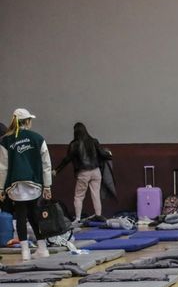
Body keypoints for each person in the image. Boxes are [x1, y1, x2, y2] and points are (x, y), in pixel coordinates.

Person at [0, 109, 53, 261]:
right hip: (34, 184)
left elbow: (3, 167)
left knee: (21, 215)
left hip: (15, 185)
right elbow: (46, 164)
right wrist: (47, 186)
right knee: (34, 214)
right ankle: (42, 248)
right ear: (28, 121)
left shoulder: (6, 140)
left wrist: (1, 188)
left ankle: (25, 251)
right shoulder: (38, 138)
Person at [54, 122, 111, 222]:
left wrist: (56, 170)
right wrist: (109, 154)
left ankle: (78, 218)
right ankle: (98, 215)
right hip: (96, 171)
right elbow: (102, 153)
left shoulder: (74, 144)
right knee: (96, 194)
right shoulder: (94, 141)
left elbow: (67, 159)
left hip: (83, 173)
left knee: (79, 196)